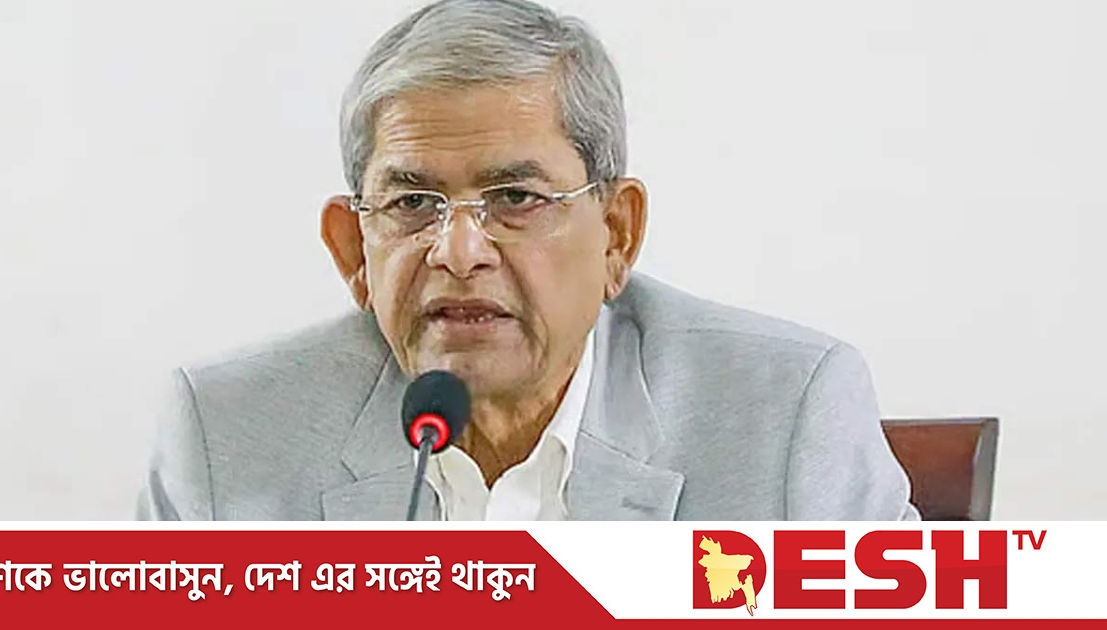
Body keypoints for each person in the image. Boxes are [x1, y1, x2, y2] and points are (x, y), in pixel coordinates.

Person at [137, 0, 917, 521]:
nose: (459, 253)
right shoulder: (226, 435)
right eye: (412, 204)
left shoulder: (785, 416)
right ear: (353, 252)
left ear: (616, 234)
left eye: (516, 197)